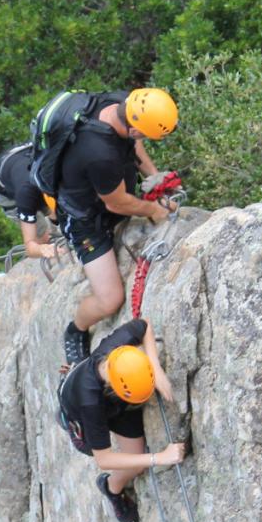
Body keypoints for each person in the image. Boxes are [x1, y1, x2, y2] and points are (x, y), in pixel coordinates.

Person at [57, 88, 180, 364]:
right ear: (136, 127)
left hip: (104, 194)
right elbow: (116, 203)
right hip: (85, 220)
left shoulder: (123, 104)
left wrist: (154, 177)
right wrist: (153, 210)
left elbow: (133, 143)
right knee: (110, 299)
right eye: (146, 133)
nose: (144, 138)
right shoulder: (98, 152)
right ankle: (75, 329)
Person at [57, 317, 187, 522]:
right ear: (119, 390)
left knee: (136, 462)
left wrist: (156, 368)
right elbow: (104, 459)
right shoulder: (90, 403)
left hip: (116, 404)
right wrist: (159, 457)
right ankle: (111, 487)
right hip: (82, 410)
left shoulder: (117, 350)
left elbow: (144, 326)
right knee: (121, 458)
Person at [0, 142, 61, 259]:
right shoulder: (26, 194)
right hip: (4, 188)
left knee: (63, 217)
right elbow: (30, 245)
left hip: (24, 157)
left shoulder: (64, 170)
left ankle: (56, 225)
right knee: (41, 234)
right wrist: (41, 249)